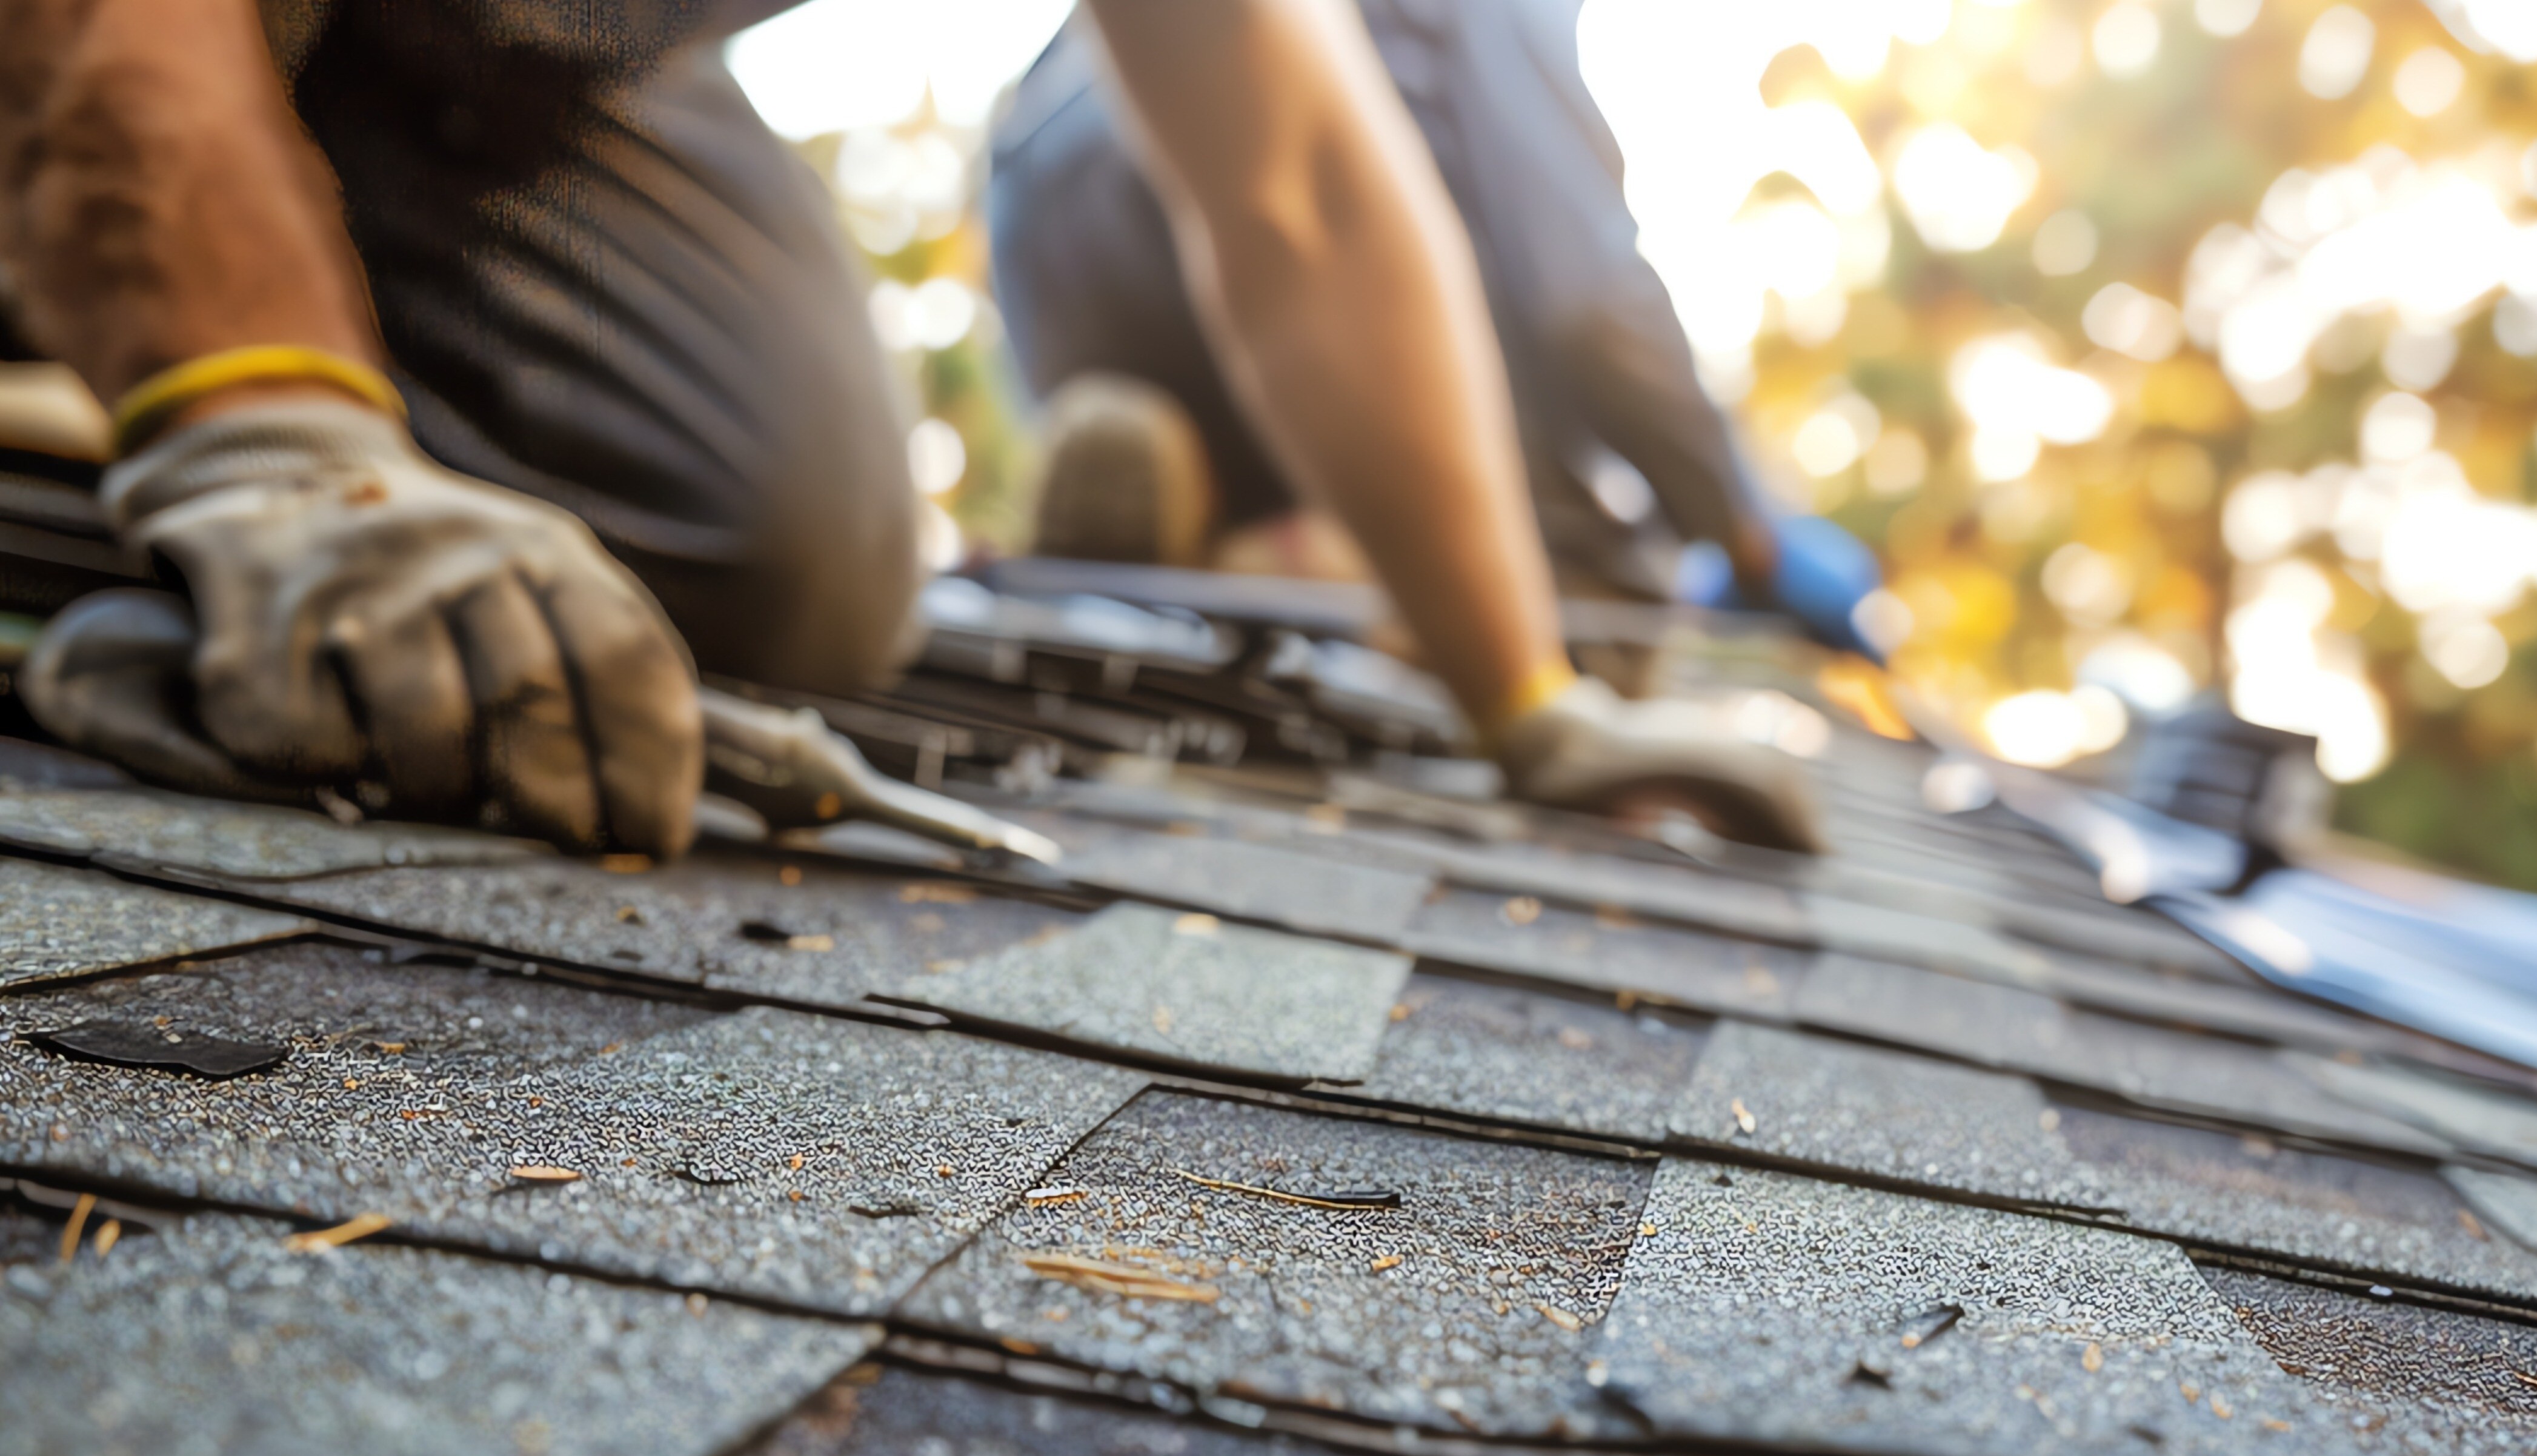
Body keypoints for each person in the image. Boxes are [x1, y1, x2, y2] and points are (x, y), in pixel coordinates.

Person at [0, 0, 1824, 854]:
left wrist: (1527, 697)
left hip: (493, 57)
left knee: (785, 551)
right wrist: (275, 433)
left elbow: (1308, 185)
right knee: (258, 426)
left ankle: (168, 367)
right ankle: (144, 368)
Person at [988, 0, 1888, 656]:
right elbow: (1588, 302)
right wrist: (1739, 522)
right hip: (1385, 428)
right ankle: (1407, 572)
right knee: (1625, 603)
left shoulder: (1057, 76)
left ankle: (1247, 528)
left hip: (1151, 379)